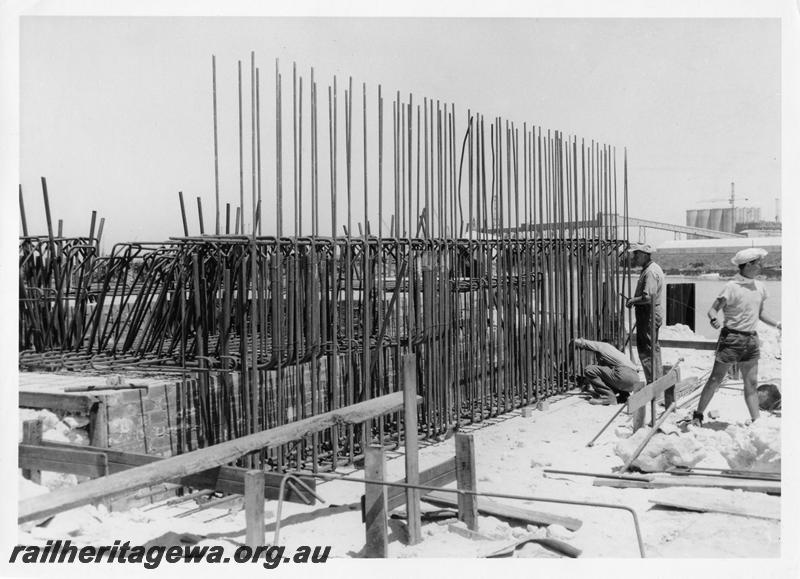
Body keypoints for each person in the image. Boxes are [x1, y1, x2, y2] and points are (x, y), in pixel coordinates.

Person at [689, 247, 781, 426]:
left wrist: (778, 324)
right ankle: (698, 414)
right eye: (757, 263)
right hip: (731, 339)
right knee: (715, 379)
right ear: (747, 265)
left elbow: (760, 313)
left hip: (751, 340)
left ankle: (756, 420)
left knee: (752, 382)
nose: (761, 266)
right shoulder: (731, 287)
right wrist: (714, 319)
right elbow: (712, 309)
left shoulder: (760, 287)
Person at [625, 242, 665, 384]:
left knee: (646, 350)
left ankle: (652, 382)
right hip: (650, 314)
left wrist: (633, 301)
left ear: (643, 254)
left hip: (649, 315)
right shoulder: (651, 269)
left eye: (636, 254)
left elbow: (648, 297)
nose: (634, 257)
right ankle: (657, 380)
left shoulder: (650, 272)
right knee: (653, 347)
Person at [573, 338, 642, 405]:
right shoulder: (617, 353)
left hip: (623, 375)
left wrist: (573, 340)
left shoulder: (603, 345)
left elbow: (582, 343)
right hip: (635, 380)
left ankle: (608, 397)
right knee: (612, 373)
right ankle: (624, 396)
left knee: (589, 369)